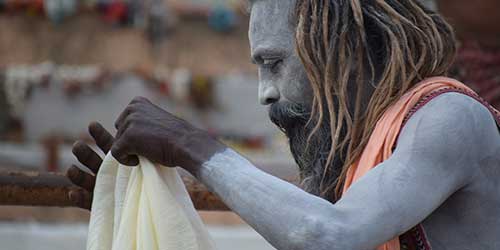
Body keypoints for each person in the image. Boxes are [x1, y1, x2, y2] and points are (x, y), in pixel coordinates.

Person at [67, 1, 500, 249]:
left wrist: (187, 142)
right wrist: (142, 210)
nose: (264, 93)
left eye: (273, 64)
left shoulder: (449, 118)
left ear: (339, 48)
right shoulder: (355, 156)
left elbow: (328, 236)